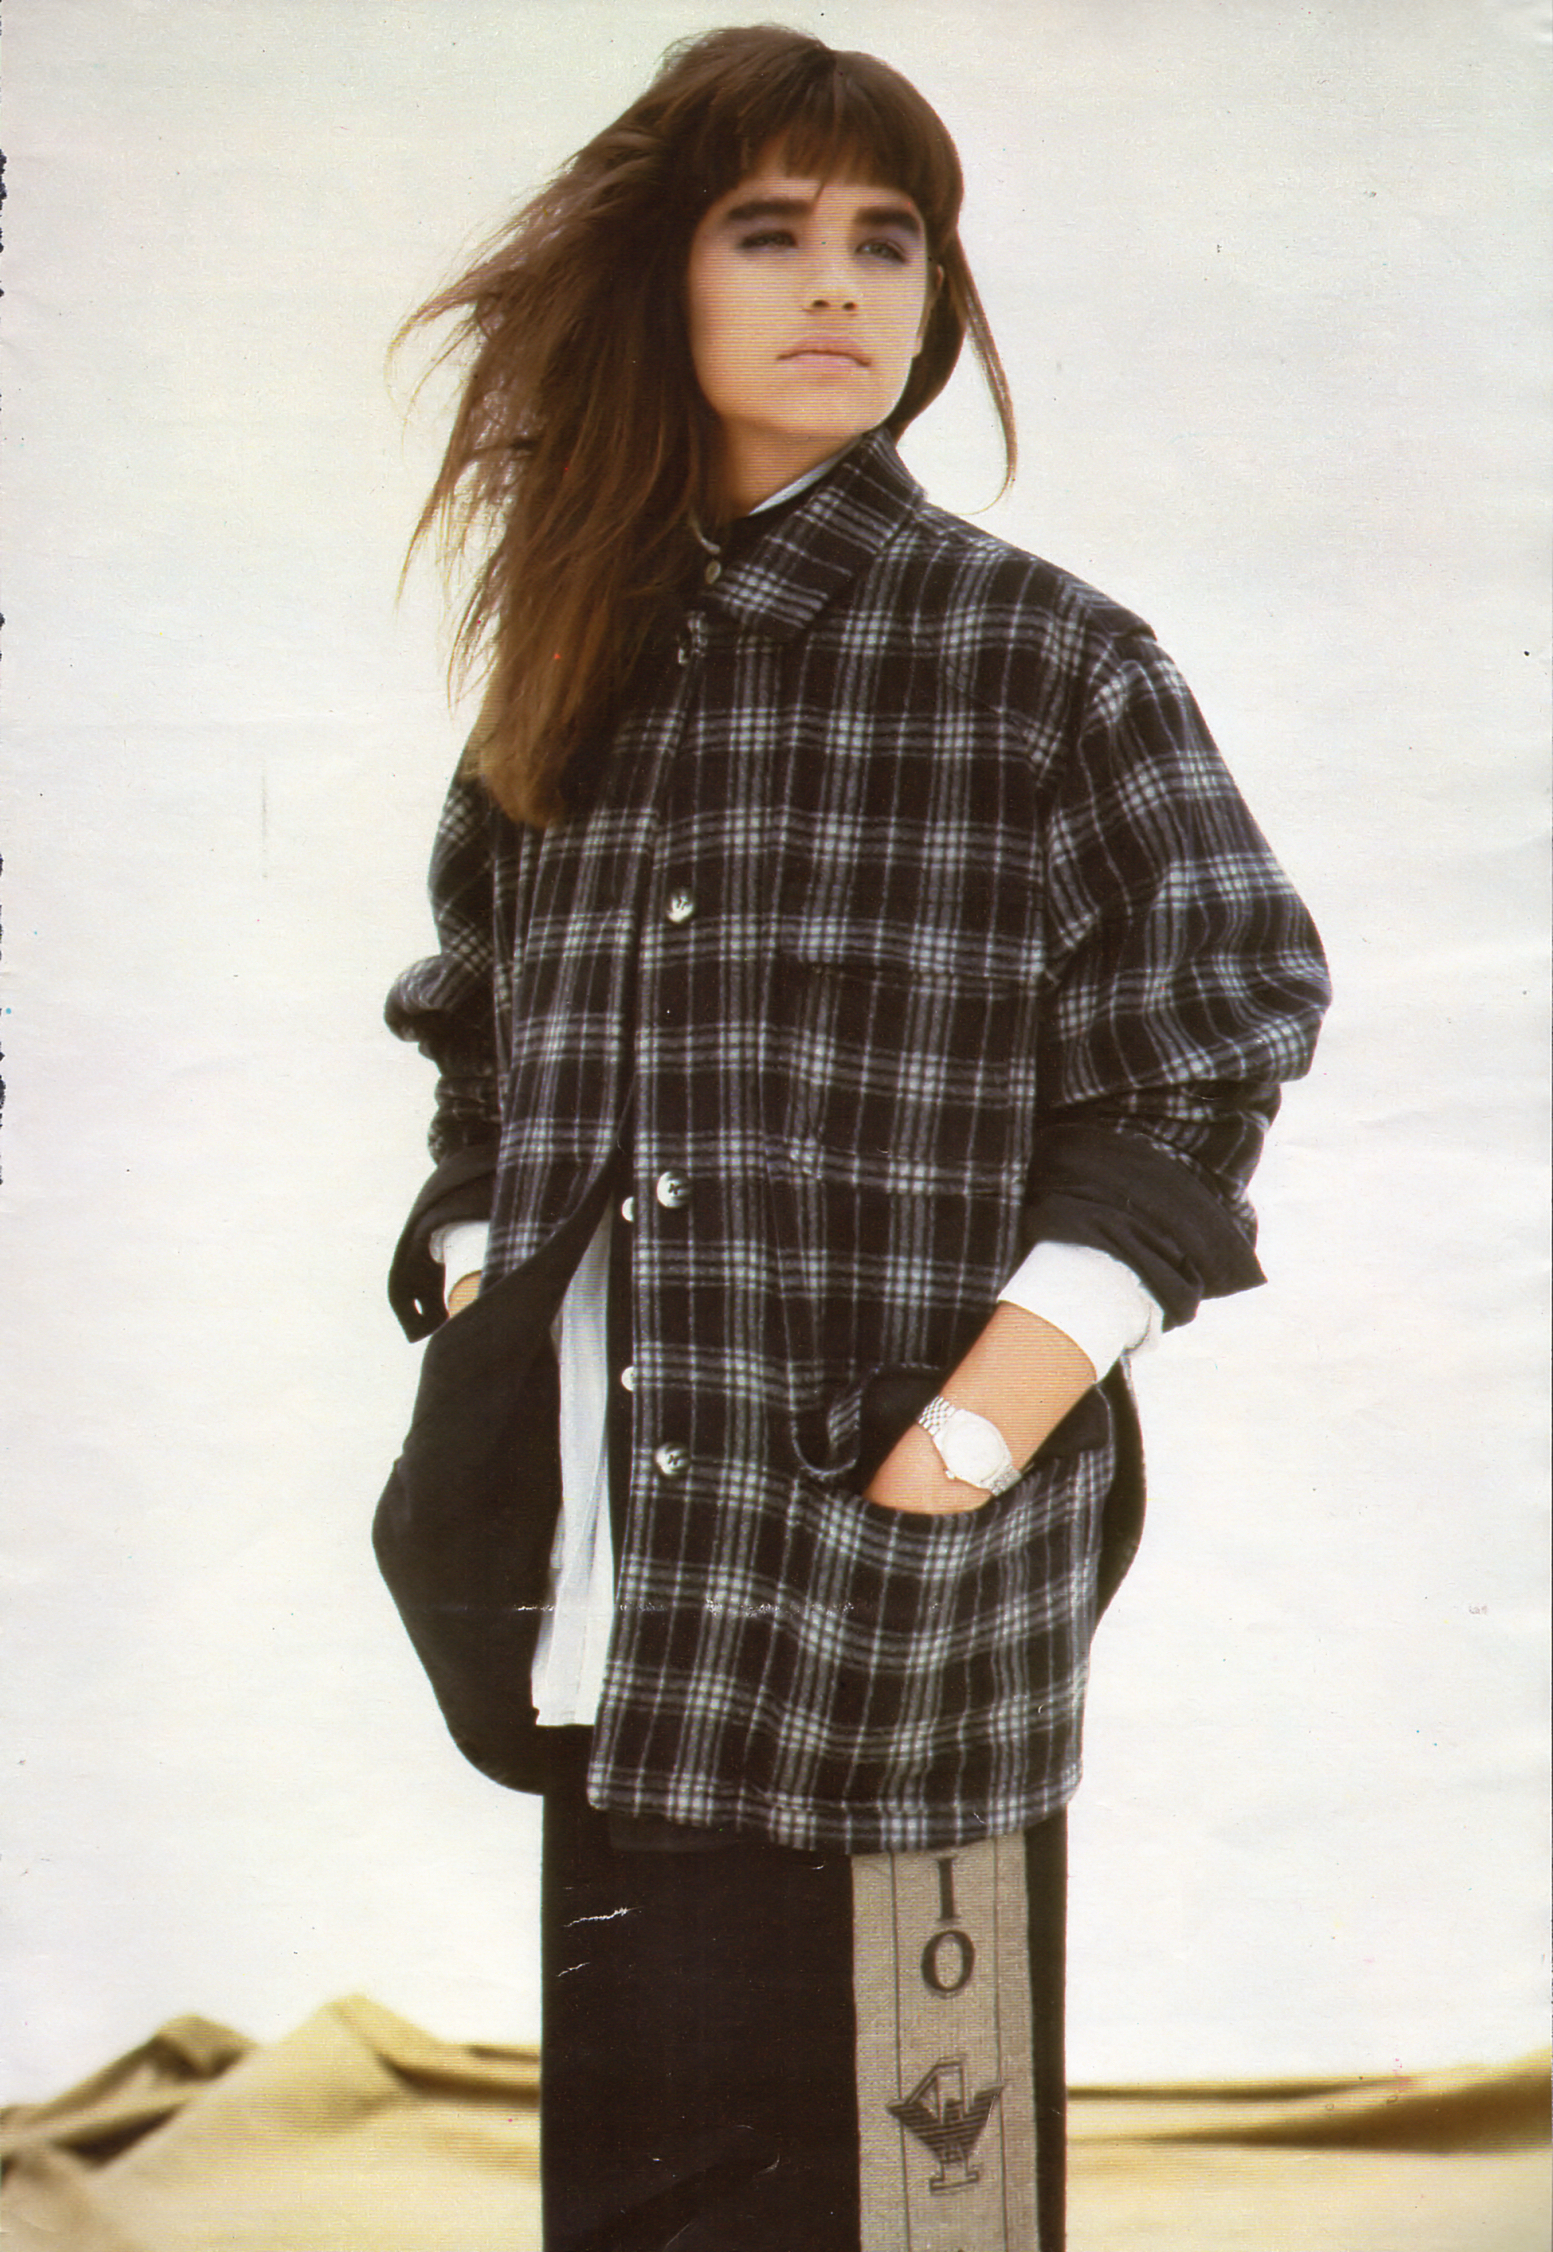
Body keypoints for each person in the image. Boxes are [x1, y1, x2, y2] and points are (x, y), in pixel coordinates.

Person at [374, 27, 1331, 2252]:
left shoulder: (1045, 662)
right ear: (659, 279)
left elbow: (1210, 1039)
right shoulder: (576, 664)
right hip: (621, 1569)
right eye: (770, 231)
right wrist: (483, 1283)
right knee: (645, 2192)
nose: (840, 283)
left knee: (922, 2197)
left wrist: (976, 1434)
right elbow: (478, 1028)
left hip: (899, 1595)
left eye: (889, 241)